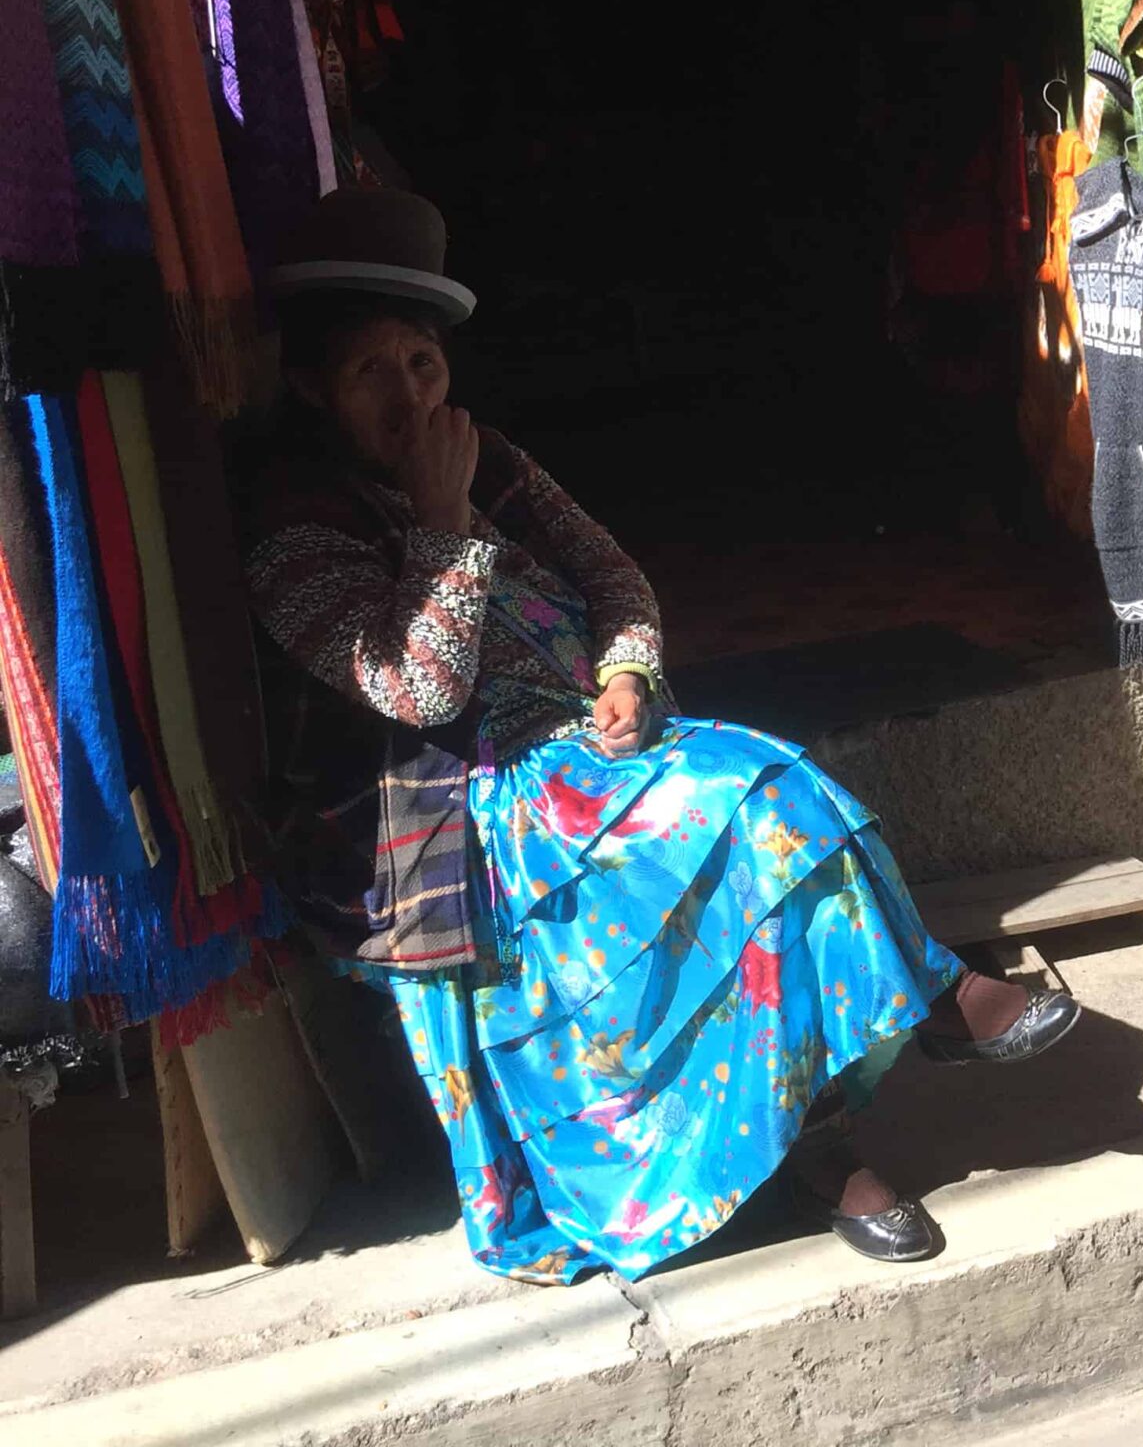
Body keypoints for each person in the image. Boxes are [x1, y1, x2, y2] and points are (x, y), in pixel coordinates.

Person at [243, 187, 1076, 1282]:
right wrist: (441, 519)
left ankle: (824, 1133)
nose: (409, 398)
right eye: (370, 373)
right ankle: (922, 1013)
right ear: (310, 385)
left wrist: (629, 665)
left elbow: (610, 574)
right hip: (461, 816)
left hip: (584, 755)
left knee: (777, 798)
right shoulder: (295, 531)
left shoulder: (485, 455)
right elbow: (418, 691)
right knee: (748, 805)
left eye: (423, 365)